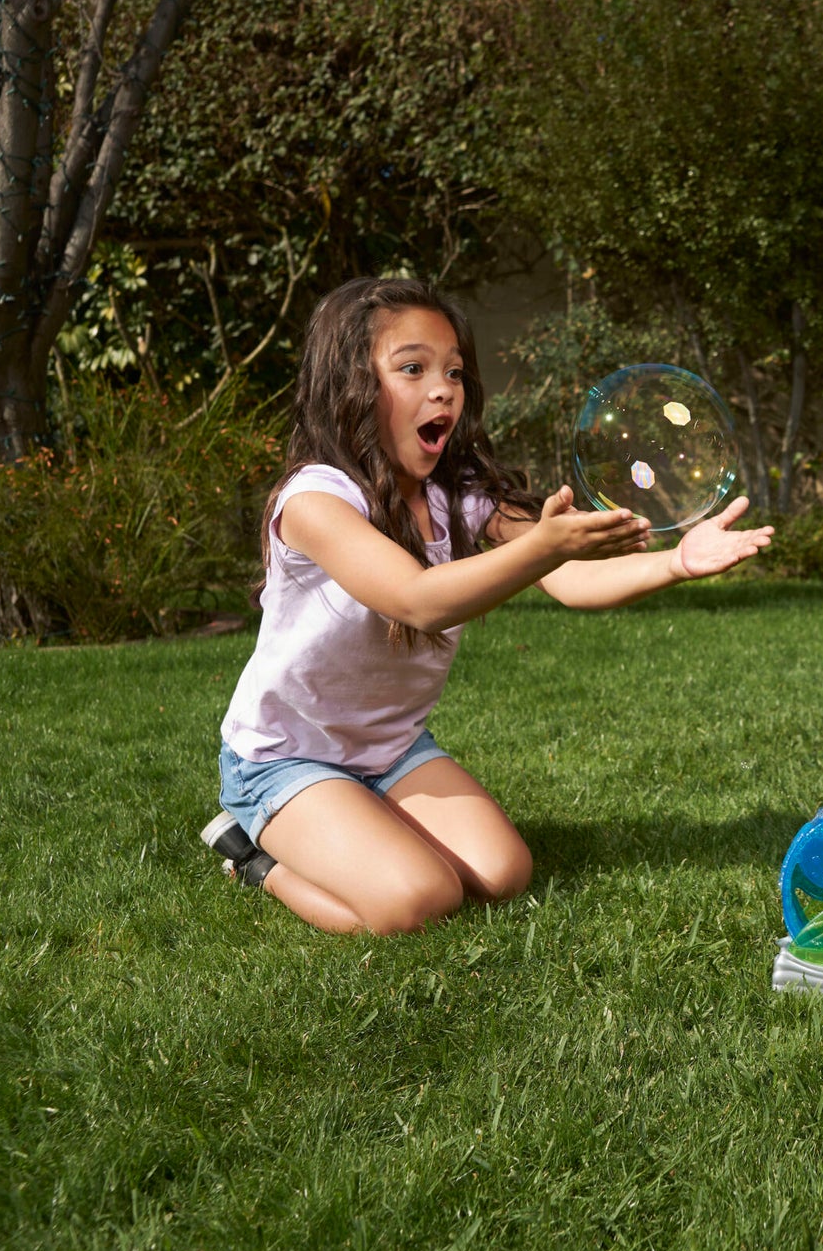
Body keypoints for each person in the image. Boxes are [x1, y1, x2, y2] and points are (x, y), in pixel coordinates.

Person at [202, 276, 772, 935]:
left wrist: (678, 562)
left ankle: (356, 818)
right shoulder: (315, 501)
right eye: (412, 368)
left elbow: (570, 582)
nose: (443, 387)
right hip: (286, 755)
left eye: (453, 371)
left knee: (502, 874)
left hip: (389, 750)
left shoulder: (457, 494)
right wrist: (543, 547)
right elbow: (417, 601)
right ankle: (254, 860)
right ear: (351, 388)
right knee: (418, 900)